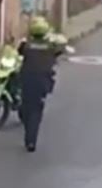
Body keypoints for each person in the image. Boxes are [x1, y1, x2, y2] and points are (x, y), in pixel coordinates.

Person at [17, 16, 69, 152]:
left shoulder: (26, 45)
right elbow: (61, 49)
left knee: (26, 106)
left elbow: (19, 52)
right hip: (43, 82)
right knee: (36, 110)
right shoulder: (51, 46)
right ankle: (31, 141)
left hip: (27, 80)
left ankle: (27, 130)